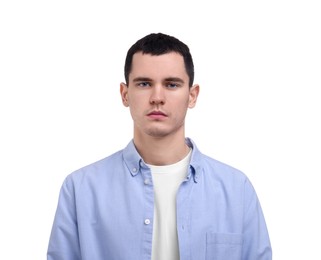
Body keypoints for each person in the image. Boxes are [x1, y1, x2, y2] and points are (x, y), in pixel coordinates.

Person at [47, 32, 272, 260]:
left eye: (171, 84)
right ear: (125, 94)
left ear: (192, 96)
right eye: (144, 83)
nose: (157, 97)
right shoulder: (80, 190)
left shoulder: (236, 190)